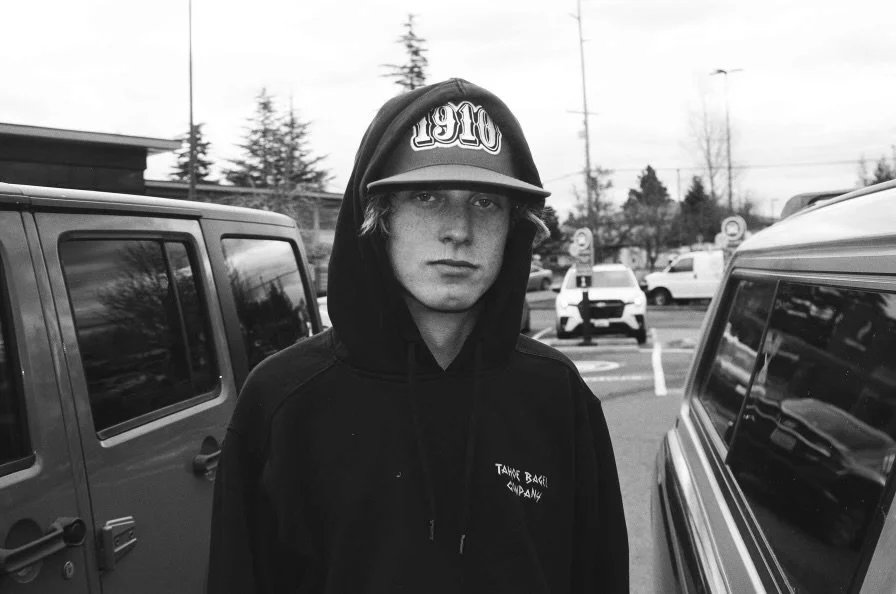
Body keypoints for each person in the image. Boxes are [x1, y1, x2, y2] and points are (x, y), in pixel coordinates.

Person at [207, 78, 629, 593]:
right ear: (377, 218)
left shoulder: (558, 396)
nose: (458, 229)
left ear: (514, 226)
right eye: (427, 196)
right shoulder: (282, 402)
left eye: (486, 202)